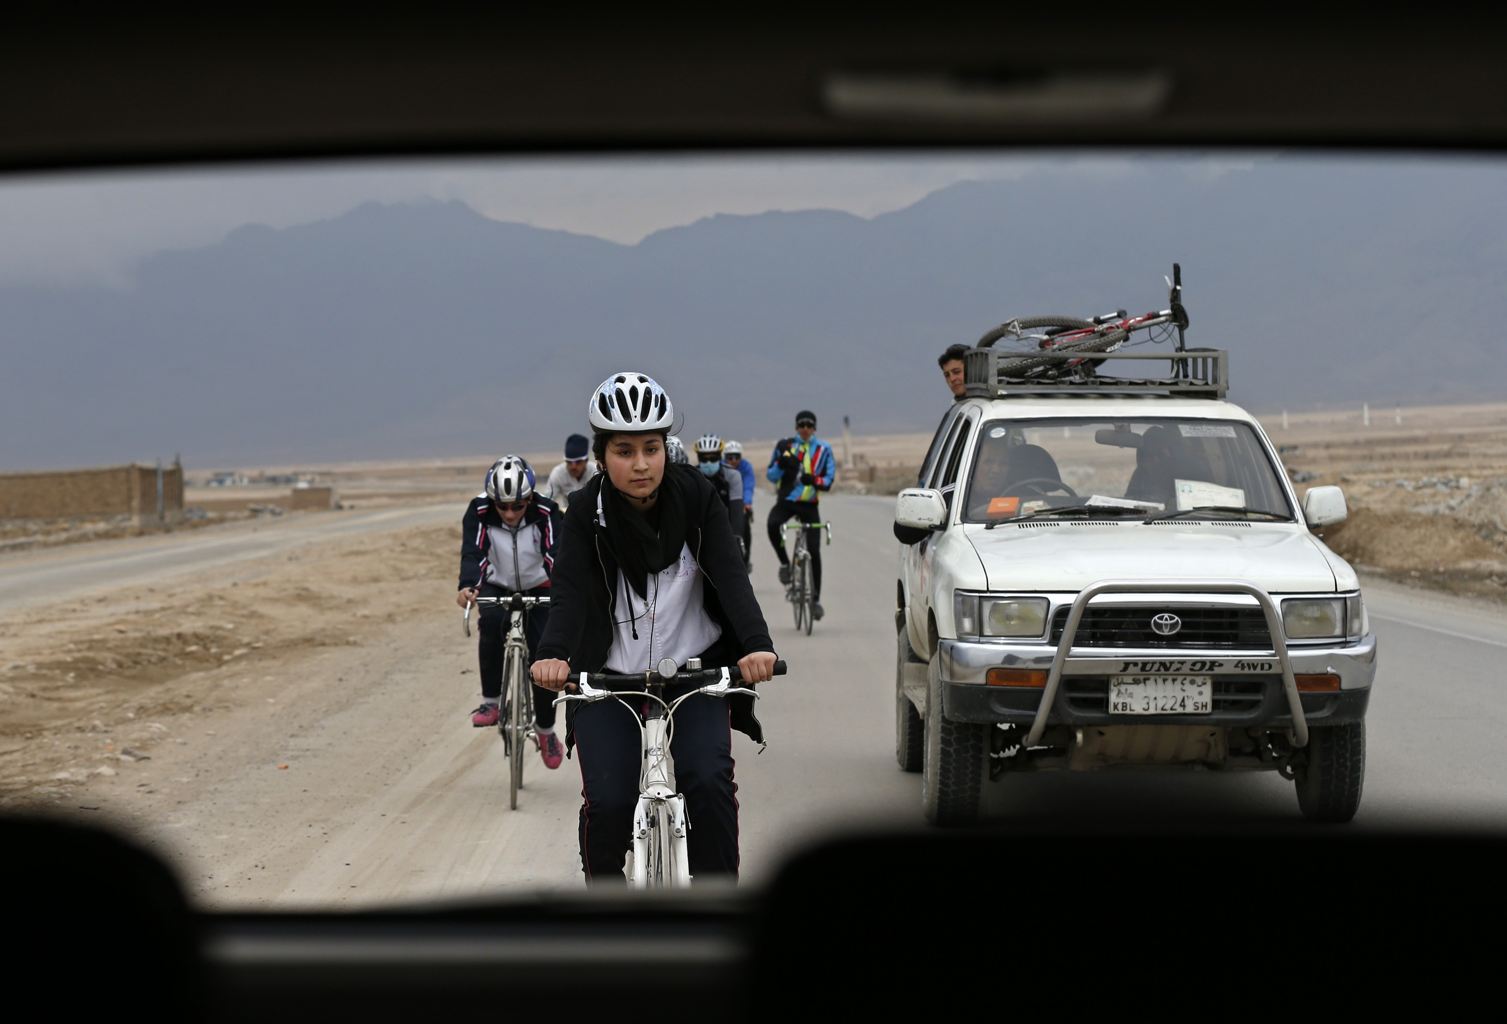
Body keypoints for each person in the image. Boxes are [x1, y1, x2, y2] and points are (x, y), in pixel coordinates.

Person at [531, 371, 778, 884]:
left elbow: (732, 578)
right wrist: (553, 652)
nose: (641, 464)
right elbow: (570, 590)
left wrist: (756, 646)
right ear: (602, 455)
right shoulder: (584, 513)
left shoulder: (697, 499)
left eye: (651, 447)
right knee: (609, 800)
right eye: (624, 451)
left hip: (696, 670)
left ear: (666, 447)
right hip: (607, 678)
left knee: (708, 782)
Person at [456, 454, 568, 769]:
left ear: (529, 498)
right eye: (501, 506)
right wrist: (469, 586)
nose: (508, 513)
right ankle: (491, 701)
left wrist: (562, 589)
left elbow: (555, 553)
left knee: (545, 656)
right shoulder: (478, 511)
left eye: (517, 506)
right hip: (498, 583)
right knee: (489, 621)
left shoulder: (546, 511)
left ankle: (546, 731)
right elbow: (473, 552)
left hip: (540, 585)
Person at [766, 410, 836, 621]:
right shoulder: (785, 446)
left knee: (814, 550)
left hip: (809, 505)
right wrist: (781, 465)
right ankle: (786, 565)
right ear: (796, 427)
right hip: (786, 502)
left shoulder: (824, 449)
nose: (805, 429)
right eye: (801, 425)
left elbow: (829, 480)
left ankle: (814, 600)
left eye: (809, 425)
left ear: (814, 428)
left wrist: (814, 480)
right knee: (773, 524)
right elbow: (771, 474)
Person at [693, 433, 746, 544]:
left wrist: (736, 536)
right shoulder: (692, 476)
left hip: (725, 522)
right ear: (698, 458)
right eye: (703, 459)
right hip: (699, 526)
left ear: (720, 457)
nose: (708, 463)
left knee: (743, 525)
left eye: (713, 458)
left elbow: (736, 508)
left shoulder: (732, 475)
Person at [540, 432, 598, 510]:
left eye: (578, 462)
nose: (573, 467)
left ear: (586, 460)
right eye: (569, 462)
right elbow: (547, 500)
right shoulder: (558, 473)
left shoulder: (595, 472)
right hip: (568, 515)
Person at [722, 440, 756, 571]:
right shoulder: (720, 468)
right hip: (723, 504)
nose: (733, 460)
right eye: (730, 457)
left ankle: (745, 560)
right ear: (725, 458)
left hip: (740, 503)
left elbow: (748, 486)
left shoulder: (746, 467)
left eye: (737, 457)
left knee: (745, 530)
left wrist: (746, 503)